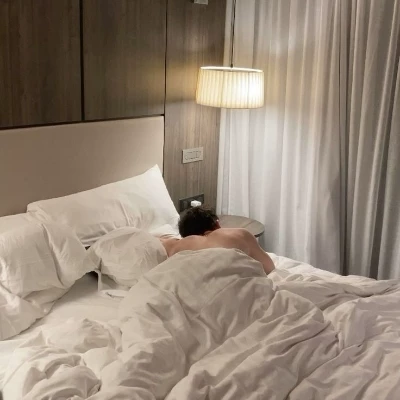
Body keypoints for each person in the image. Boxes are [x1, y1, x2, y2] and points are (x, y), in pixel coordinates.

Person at [160, 206, 275, 275]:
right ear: (217, 224)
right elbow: (269, 268)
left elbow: (156, 239)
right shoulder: (240, 234)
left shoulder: (177, 245)